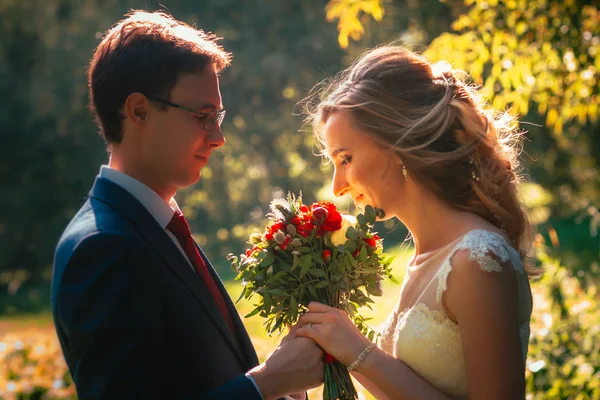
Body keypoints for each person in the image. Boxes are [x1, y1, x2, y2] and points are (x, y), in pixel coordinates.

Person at [51, 10, 323, 400]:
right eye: (202, 116)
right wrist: (265, 385)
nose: (218, 137)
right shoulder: (103, 248)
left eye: (219, 116)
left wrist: (279, 384)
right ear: (139, 111)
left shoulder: (154, 226)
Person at [293, 45, 538, 399]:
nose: (337, 186)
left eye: (345, 158)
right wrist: (331, 347)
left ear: (398, 144)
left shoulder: (477, 260)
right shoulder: (426, 258)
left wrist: (359, 351)